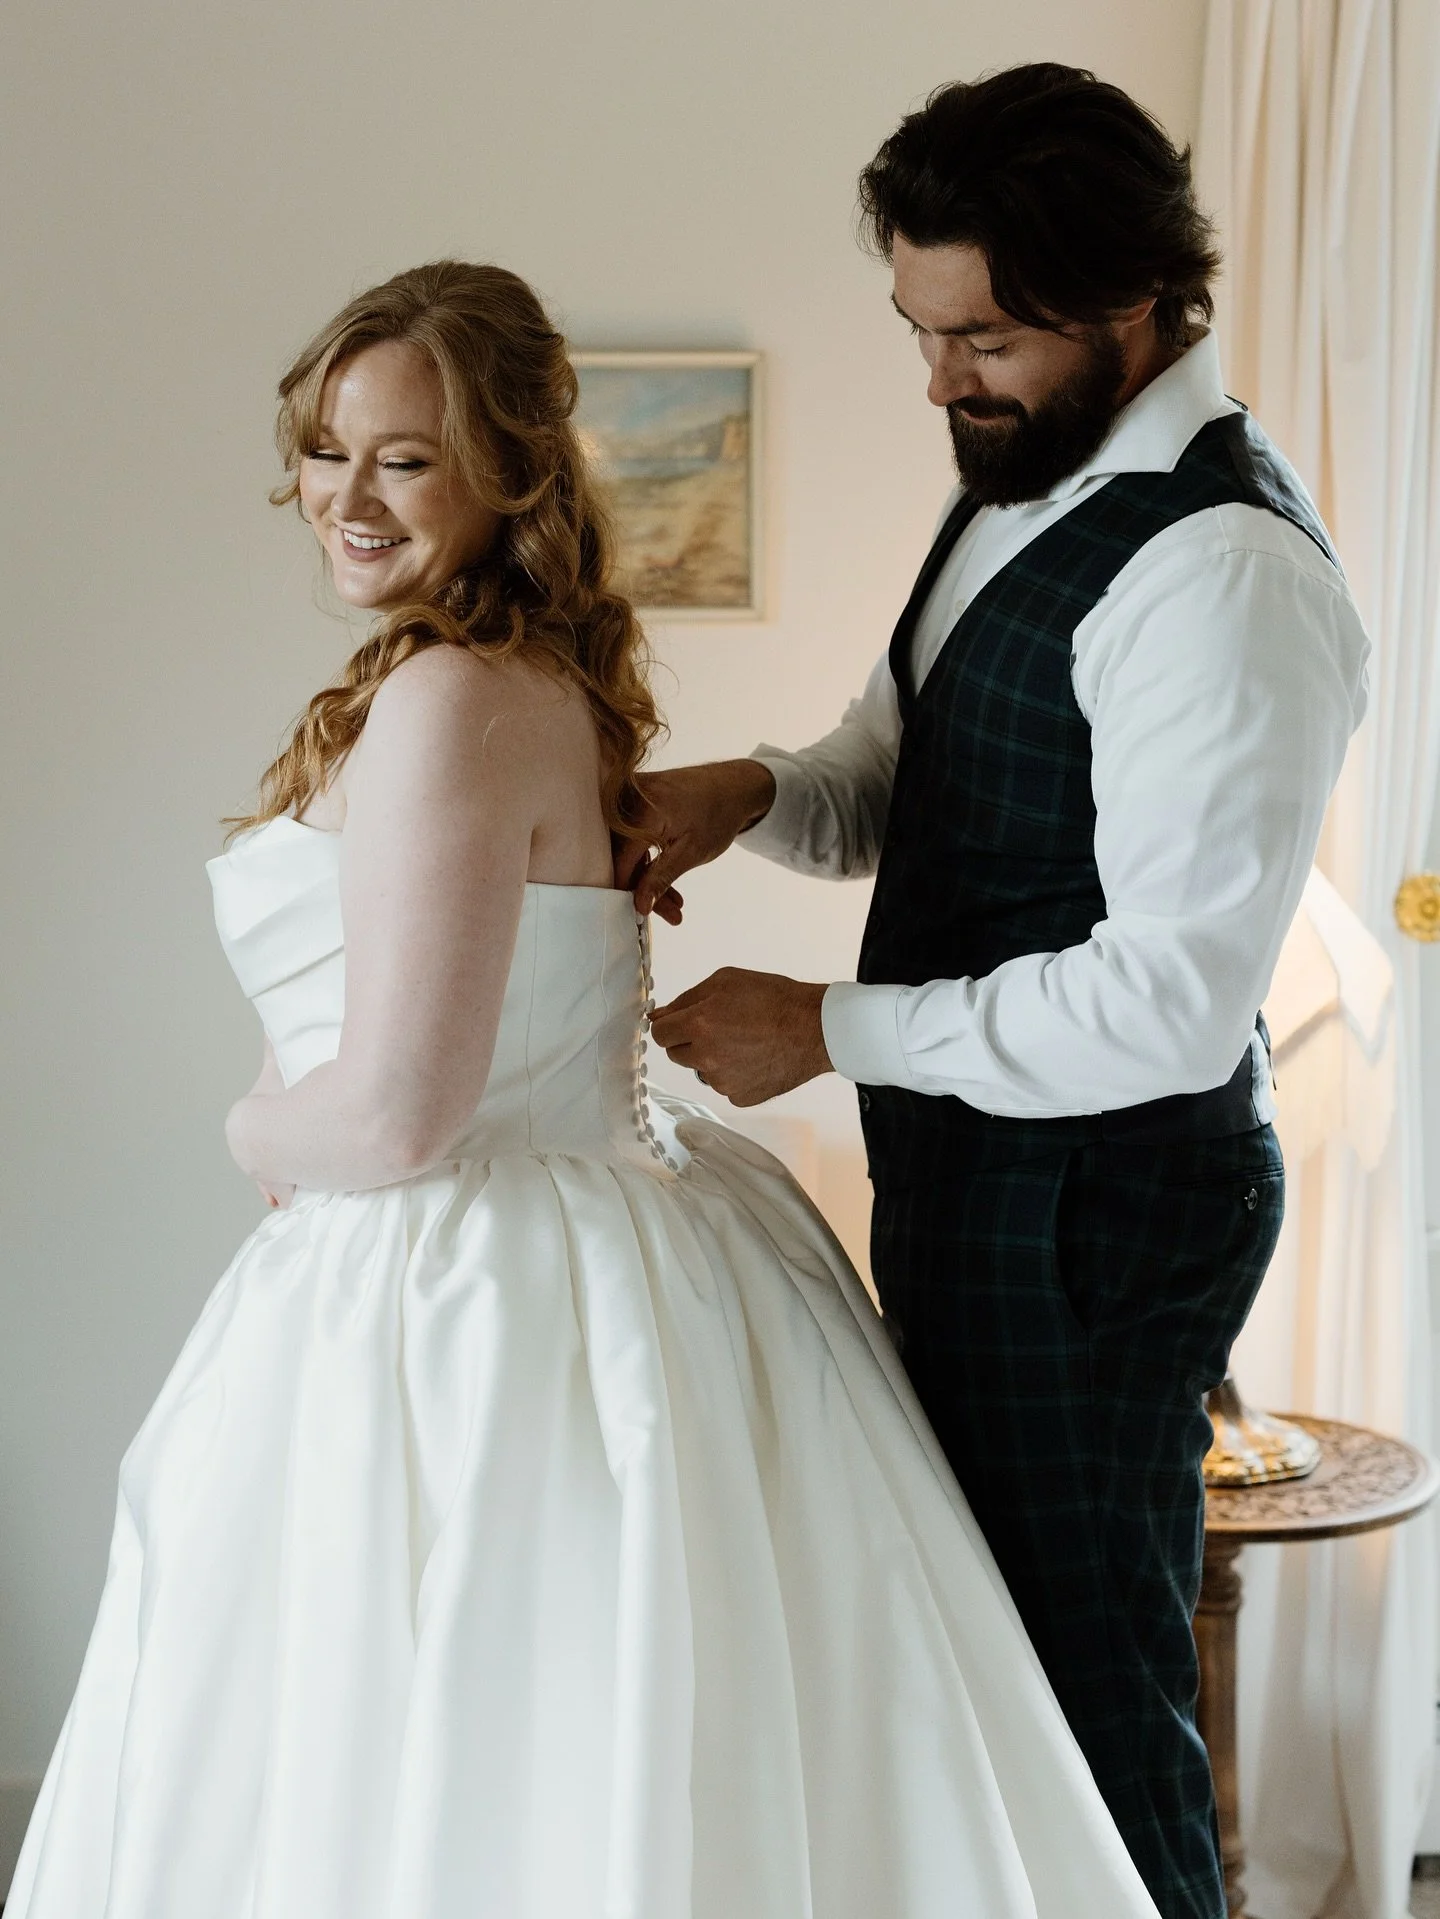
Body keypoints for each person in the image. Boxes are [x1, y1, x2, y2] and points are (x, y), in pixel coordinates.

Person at [8, 259, 1164, 1919]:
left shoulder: (448, 702)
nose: (345, 495)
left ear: (509, 473)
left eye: (404, 458)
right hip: (594, 1228)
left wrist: (247, 1123)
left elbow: (401, 1112)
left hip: (462, 1284)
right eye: (328, 450)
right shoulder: (506, 687)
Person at [627, 65, 1369, 1919]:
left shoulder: (1222, 571)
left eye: (986, 336)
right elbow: (909, 772)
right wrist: (746, 792)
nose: (943, 380)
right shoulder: (1031, 487)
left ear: (1133, 300)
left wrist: (825, 1032)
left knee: (1094, 1688)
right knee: (999, 1684)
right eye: (920, 330)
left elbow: (1167, 1009)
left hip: (1107, 1219)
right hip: (993, 1189)